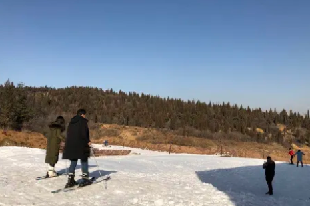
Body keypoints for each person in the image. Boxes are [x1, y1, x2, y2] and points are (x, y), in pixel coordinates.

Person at [62, 109, 92, 188]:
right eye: (84, 114)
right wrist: (88, 141)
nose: (85, 116)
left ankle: (70, 179)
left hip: (71, 144)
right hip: (81, 144)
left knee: (73, 161)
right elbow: (83, 133)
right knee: (84, 159)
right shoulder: (83, 121)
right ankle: (85, 178)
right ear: (82, 114)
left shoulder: (71, 122)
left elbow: (68, 133)